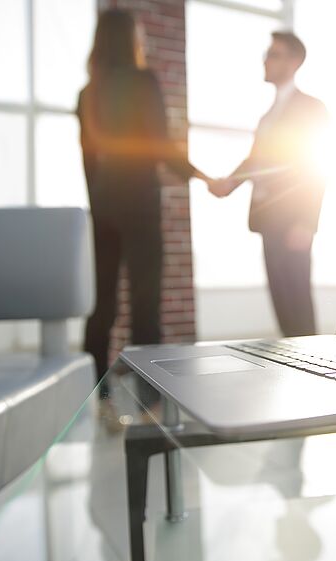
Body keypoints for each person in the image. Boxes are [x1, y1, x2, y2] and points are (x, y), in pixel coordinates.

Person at [78, 9, 208, 384]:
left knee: (102, 307)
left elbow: (87, 161)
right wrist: (201, 176)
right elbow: (160, 145)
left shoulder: (88, 93)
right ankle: (150, 402)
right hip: (139, 204)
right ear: (129, 38)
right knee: (144, 306)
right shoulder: (143, 81)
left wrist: (98, 205)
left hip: (103, 208)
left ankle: (96, 400)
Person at [209, 31, 328, 337]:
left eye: (273, 54)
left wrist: (307, 222)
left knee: (299, 306)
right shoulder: (267, 117)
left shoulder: (311, 108)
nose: (266, 60)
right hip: (269, 220)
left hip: (293, 223)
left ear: (293, 61)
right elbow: (256, 161)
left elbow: (317, 164)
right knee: (283, 308)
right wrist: (229, 184)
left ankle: (317, 375)